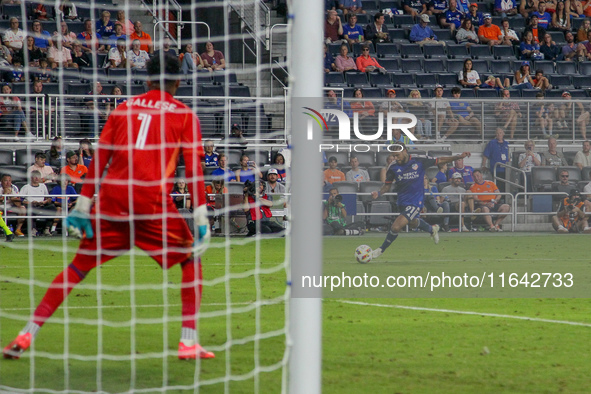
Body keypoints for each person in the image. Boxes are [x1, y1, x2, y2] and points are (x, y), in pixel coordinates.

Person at [2, 55, 214, 361]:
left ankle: (26, 333)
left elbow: (100, 158)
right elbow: (193, 169)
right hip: (151, 203)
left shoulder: (125, 108)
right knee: (191, 261)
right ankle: (188, 342)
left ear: (147, 78)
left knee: (77, 268)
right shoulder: (184, 114)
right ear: (178, 81)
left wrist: (83, 204)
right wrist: (201, 215)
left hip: (113, 201)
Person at [369, 146, 471, 260]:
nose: (395, 158)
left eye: (397, 155)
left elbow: (440, 160)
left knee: (396, 226)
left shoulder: (419, 160)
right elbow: (387, 185)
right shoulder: (393, 167)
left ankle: (380, 250)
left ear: (405, 151)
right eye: (394, 155)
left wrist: (459, 156)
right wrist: (378, 193)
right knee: (412, 223)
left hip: (416, 201)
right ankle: (432, 229)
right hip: (402, 201)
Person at [16, 170, 53, 237]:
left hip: (42, 205)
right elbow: (21, 200)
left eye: (38, 177)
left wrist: (45, 202)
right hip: (31, 205)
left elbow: (48, 198)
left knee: (52, 207)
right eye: (34, 177)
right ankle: (33, 229)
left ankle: (47, 229)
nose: (36, 178)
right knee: (30, 209)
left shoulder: (43, 186)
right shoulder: (26, 187)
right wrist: (31, 203)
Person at [481, 128, 510, 192]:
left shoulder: (507, 144)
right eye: (497, 133)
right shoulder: (492, 143)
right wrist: (483, 165)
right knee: (498, 185)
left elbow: (509, 156)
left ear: (503, 134)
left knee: (506, 185)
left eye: (500, 133)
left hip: (506, 169)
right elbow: (485, 155)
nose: (498, 135)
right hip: (496, 169)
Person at [0, 173, 22, 237]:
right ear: (1, 181)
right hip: (1, 207)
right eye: (6, 181)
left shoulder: (14, 188)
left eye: (9, 181)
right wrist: (5, 194)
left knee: (22, 208)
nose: (8, 183)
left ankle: (18, 229)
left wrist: (11, 197)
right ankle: (7, 231)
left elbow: (18, 202)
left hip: (11, 206)